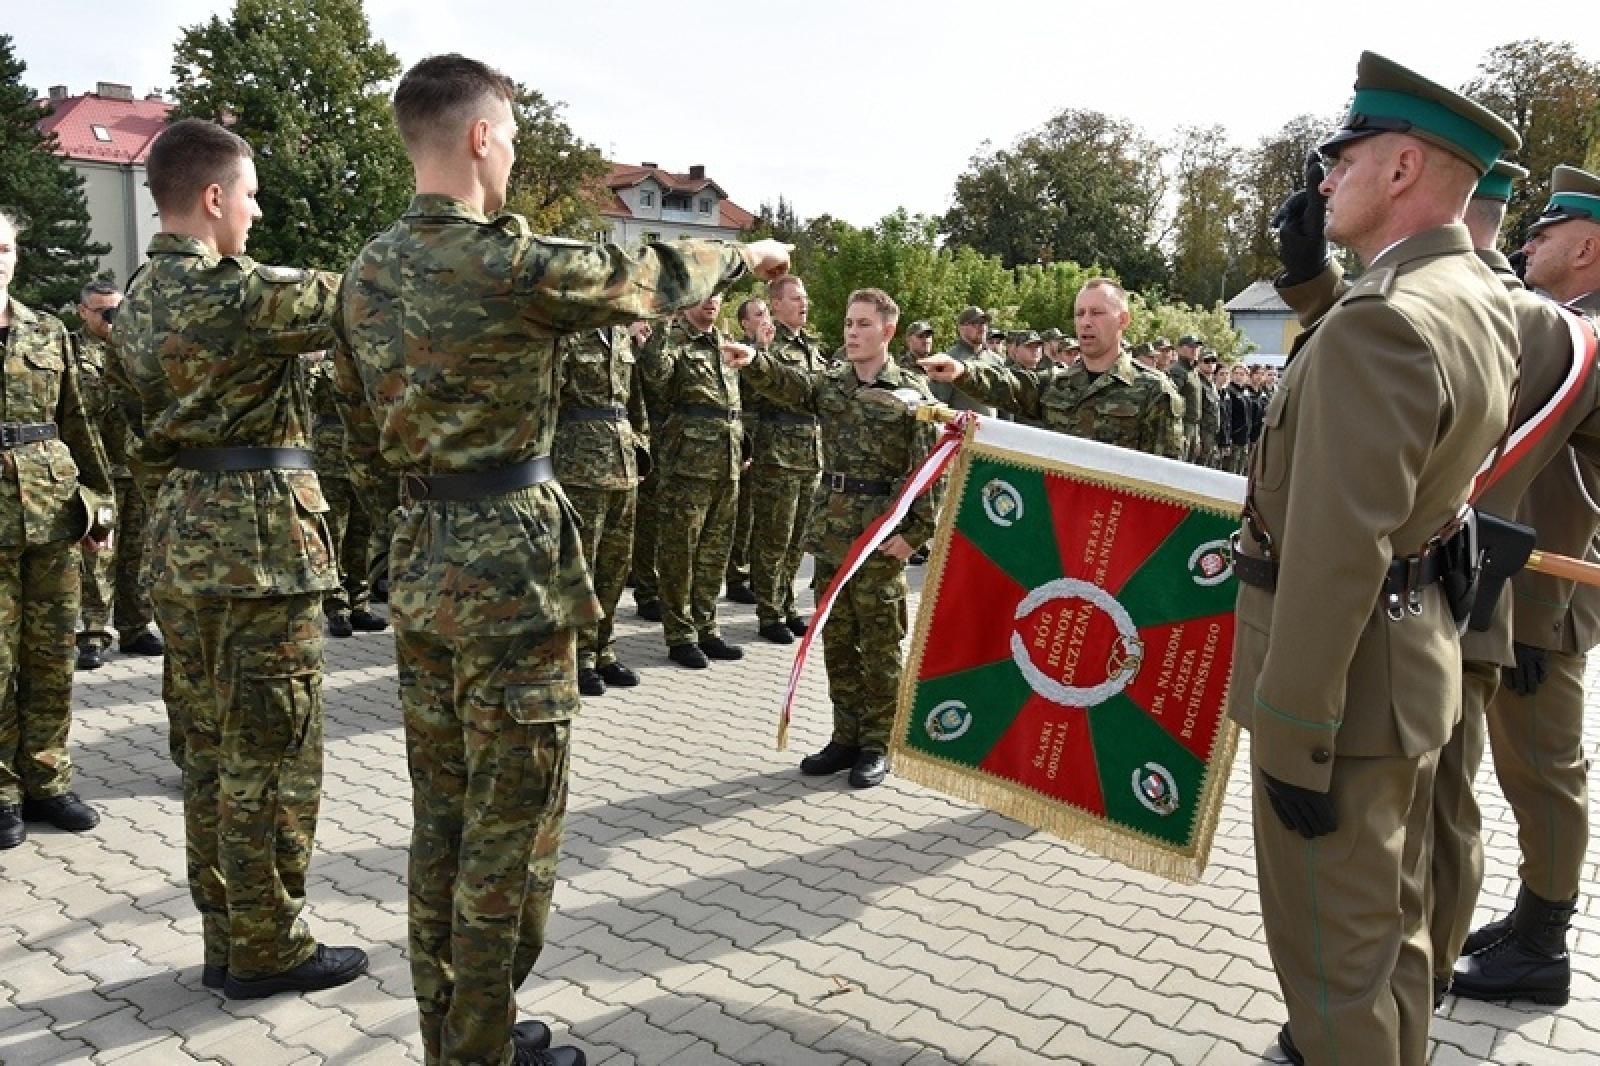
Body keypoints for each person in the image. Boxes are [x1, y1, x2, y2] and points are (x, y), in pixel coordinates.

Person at [334, 54, 789, 1066]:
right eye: (513, 138)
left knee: (440, 817)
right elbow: (645, 281)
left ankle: (450, 1032)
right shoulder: (504, 259)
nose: (514, 157)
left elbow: (357, 424)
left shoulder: (366, 270)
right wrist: (747, 256)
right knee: (513, 824)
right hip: (509, 567)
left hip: (420, 554)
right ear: (483, 137)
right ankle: (483, 1047)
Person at [1227, 52, 1520, 1066]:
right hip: (1403, 674)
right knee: (1389, 946)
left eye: (1338, 157)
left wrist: (1292, 727)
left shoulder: (1386, 319)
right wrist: (1314, 283)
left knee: (1333, 975)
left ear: (1398, 169)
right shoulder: (1470, 290)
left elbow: (1335, 549)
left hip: (1339, 699)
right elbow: (1378, 396)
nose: (1322, 178)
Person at [115, 118, 369, 1000]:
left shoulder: (139, 297)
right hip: (259, 550)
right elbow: (367, 293)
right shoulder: (240, 294)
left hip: (182, 540)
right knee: (275, 755)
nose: (257, 213)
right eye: (252, 194)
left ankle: (227, 938)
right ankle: (271, 949)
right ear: (215, 197)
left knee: (211, 757)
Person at [1451, 164, 1600, 1007]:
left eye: (1545, 233)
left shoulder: (1583, 333)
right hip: (1520, 586)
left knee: (1544, 774)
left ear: (1587, 247)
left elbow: (1576, 500)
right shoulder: (1571, 325)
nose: (1527, 241)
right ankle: (1530, 917)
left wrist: (1540, 617)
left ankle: (1544, 946)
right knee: (1527, 770)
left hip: (1543, 600)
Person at [722, 288, 940, 789]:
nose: (851, 332)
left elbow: (932, 470)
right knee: (837, 639)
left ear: (887, 330)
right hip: (832, 529)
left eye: (863, 323)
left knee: (881, 641)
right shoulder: (834, 383)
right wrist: (754, 360)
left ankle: (877, 743)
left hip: (880, 531)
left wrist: (915, 536)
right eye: (847, 322)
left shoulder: (911, 392)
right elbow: (791, 385)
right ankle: (845, 736)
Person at [0, 208, 115, 851]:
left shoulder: (47, 333)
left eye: (7, 247)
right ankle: (0, 791)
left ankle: (47, 780)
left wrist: (98, 506)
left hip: (50, 512)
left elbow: (78, 426)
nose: (0, 258)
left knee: (51, 655)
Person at [920, 278, 1184, 458]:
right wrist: (961, 372)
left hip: (1112, 527)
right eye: (1080, 314)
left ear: (1123, 320)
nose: (1085, 322)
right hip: (1058, 524)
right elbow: (1010, 384)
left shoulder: (1154, 392)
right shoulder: (1058, 384)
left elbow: (1165, 481)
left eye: (1097, 313)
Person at [637, 295, 747, 668]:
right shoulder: (674, 339)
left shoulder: (724, 341)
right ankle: (680, 634)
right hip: (688, 464)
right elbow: (654, 378)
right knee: (680, 551)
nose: (712, 302)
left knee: (715, 551)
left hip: (727, 462)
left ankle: (707, 626)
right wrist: (663, 324)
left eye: (717, 295)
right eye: (703, 295)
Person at [71, 279, 162, 669]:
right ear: (83, 312)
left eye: (117, 311)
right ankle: (93, 633)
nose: (112, 319)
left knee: (138, 554)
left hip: (136, 467)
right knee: (98, 556)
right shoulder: (71, 351)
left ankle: (136, 627)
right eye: (103, 312)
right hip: (96, 470)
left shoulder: (138, 351)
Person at [555, 322, 649, 697]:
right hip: (579, 466)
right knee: (583, 565)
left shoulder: (623, 338)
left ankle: (604, 649)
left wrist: (641, 451)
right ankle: (577, 656)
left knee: (615, 563)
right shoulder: (571, 335)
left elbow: (635, 404)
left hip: (622, 466)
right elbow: (550, 400)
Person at [746, 275, 823, 645]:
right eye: (795, 298)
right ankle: (768, 612)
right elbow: (754, 392)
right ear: (775, 304)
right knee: (773, 538)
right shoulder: (767, 343)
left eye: (805, 298)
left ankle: (788, 605)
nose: (803, 304)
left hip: (809, 453)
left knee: (797, 540)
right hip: (777, 453)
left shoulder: (811, 346)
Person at [304, 351, 387, 639]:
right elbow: (310, 396)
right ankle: (337, 608)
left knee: (362, 536)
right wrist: (313, 363)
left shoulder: (370, 361)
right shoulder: (322, 366)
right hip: (331, 458)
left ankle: (360, 605)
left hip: (366, 457)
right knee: (334, 535)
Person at [725, 297, 770, 606]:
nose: (765, 318)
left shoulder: (772, 347)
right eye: (758, 314)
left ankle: (755, 573)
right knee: (743, 511)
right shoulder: (740, 351)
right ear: (745, 324)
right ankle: (736, 574)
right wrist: (760, 351)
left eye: (767, 312)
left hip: (772, 438)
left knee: (761, 512)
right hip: (747, 432)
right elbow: (750, 390)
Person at [1168, 335, 1205, 461]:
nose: (1194, 350)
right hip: (1183, 425)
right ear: (1179, 349)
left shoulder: (1193, 371)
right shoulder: (1177, 371)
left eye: (1197, 347)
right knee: (1180, 462)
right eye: (1190, 347)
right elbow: (1174, 401)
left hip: (1193, 426)